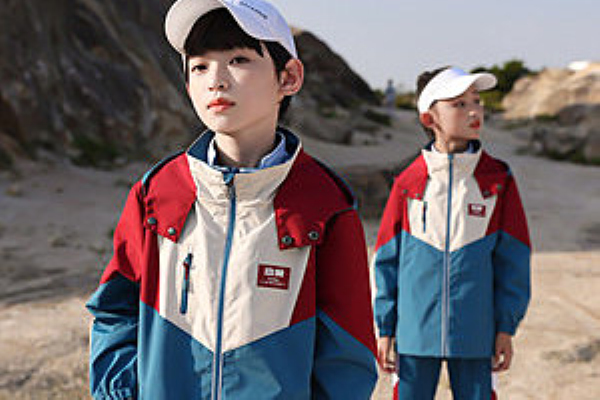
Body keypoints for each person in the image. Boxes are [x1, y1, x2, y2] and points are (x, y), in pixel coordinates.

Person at [86, 0, 378, 399]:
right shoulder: (156, 194)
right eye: (200, 66)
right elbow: (115, 312)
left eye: (238, 60)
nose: (216, 80)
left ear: (289, 77)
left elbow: (347, 356)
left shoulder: (326, 205)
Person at [373, 66, 531, 399]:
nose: (474, 111)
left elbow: (513, 258)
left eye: (477, 101)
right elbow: (386, 258)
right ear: (429, 118)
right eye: (459, 104)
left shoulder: (497, 180)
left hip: (476, 335)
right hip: (414, 334)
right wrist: (385, 328)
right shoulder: (408, 182)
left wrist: (505, 327)